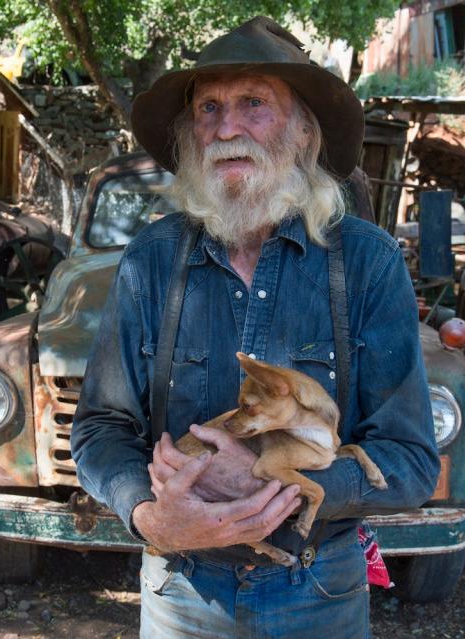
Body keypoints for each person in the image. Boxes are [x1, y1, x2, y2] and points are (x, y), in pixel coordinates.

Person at [71, 16, 439, 639]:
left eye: (253, 104)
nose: (226, 127)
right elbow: (102, 427)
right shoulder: (152, 260)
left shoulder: (367, 263)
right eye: (209, 108)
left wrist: (285, 481)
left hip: (319, 587)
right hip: (181, 585)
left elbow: (409, 461)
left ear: (301, 134)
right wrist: (148, 515)